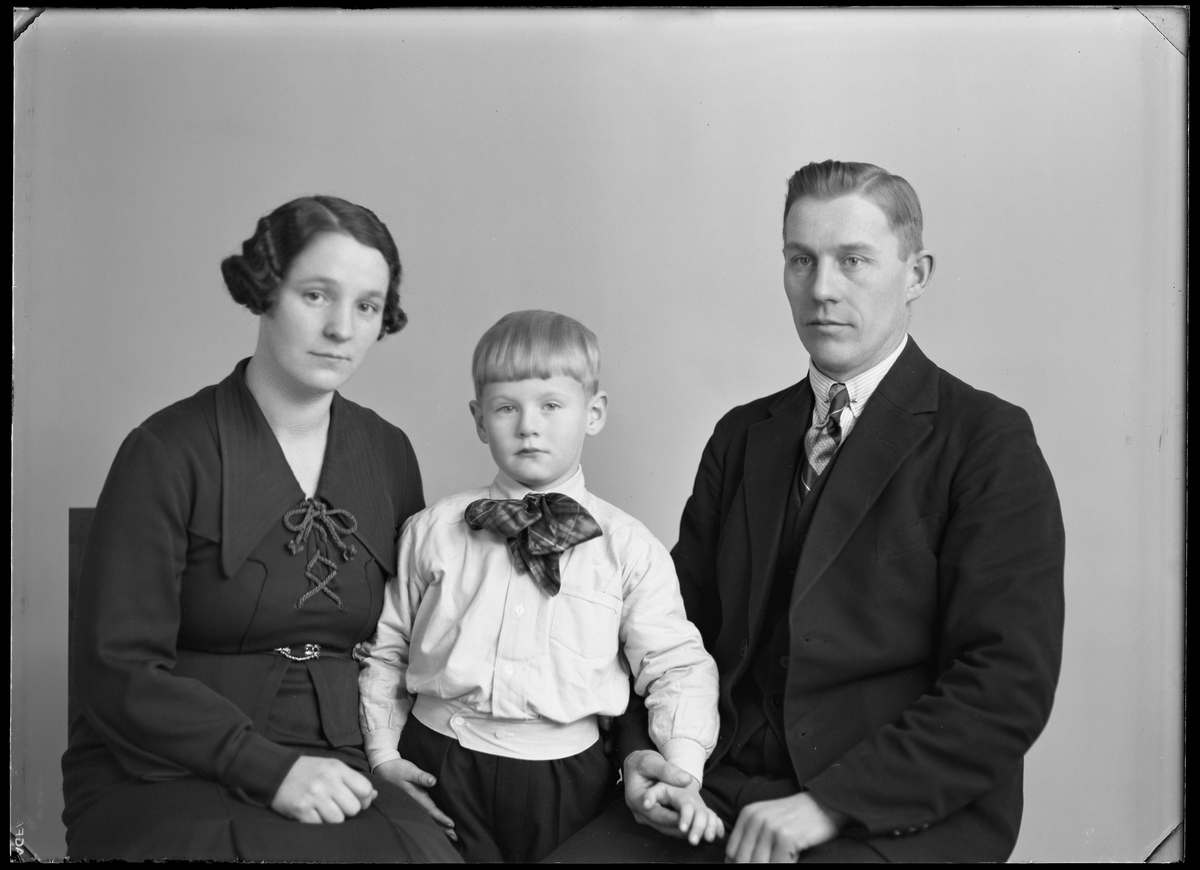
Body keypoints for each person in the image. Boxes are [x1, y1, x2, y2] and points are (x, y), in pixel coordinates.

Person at [545, 160, 1066, 863]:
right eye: (801, 260)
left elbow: (1005, 685)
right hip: (712, 787)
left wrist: (829, 805)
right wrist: (642, 756)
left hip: (885, 814)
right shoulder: (741, 436)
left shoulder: (986, 441)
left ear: (916, 275)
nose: (822, 289)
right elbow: (666, 628)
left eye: (854, 260)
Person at [61, 195, 462, 862]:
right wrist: (271, 771)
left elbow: (405, 638)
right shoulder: (165, 450)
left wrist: (389, 754)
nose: (341, 328)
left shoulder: (389, 452)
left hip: (343, 756)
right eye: (316, 295)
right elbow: (117, 671)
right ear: (265, 291)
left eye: (367, 306)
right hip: (167, 765)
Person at [358, 310, 723, 862]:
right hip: (438, 759)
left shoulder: (627, 547)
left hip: (567, 780)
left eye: (551, 405)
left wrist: (683, 768)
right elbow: (387, 651)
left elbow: (675, 664)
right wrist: (384, 756)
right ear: (480, 420)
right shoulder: (432, 531)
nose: (528, 426)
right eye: (507, 407)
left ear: (593, 413)